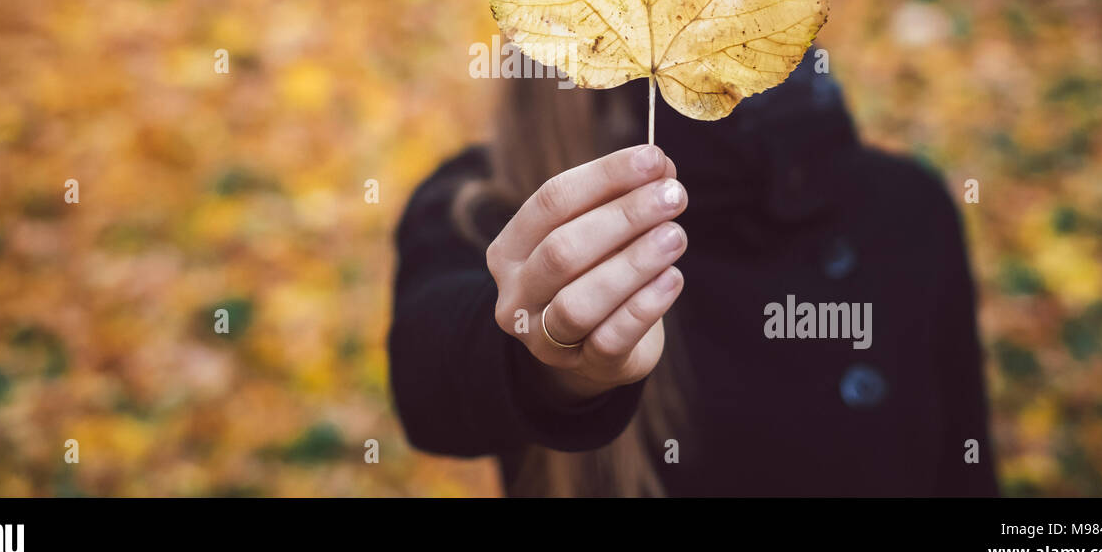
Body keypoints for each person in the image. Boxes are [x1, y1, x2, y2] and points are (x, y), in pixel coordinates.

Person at [387, 49, 999, 496]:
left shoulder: (905, 209)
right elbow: (432, 378)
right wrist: (549, 359)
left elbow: (967, 476)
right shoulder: (495, 207)